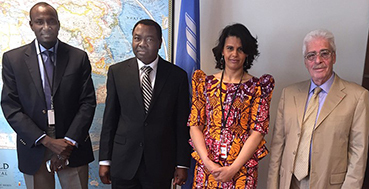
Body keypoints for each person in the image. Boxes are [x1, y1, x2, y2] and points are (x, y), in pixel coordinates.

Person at [1, 2, 96, 189]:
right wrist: (46, 140)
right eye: (39, 22)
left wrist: (67, 143)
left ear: (58, 24)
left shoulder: (78, 57)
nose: (46, 27)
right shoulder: (14, 60)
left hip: (72, 146)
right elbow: (10, 106)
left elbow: (87, 103)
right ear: (31, 25)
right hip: (34, 144)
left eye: (51, 21)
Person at [267, 29, 369, 189]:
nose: (318, 60)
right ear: (305, 61)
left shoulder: (357, 97)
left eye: (324, 53)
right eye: (311, 55)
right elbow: (277, 146)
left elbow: (358, 153)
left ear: (334, 57)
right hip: (289, 182)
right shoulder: (289, 94)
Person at [98, 19, 191, 188]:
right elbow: (110, 119)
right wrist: (105, 160)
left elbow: (181, 123)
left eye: (149, 39)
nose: (141, 44)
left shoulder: (177, 76)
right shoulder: (117, 72)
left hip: (160, 164)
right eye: (137, 38)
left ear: (159, 43)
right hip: (124, 162)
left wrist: (182, 164)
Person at [188, 23, 274, 188]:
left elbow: (257, 132)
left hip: (242, 169)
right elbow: (195, 126)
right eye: (230, 48)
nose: (234, 54)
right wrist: (208, 163)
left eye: (240, 49)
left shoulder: (258, 87)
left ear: (247, 52)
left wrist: (233, 169)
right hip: (207, 169)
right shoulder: (205, 83)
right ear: (222, 51)